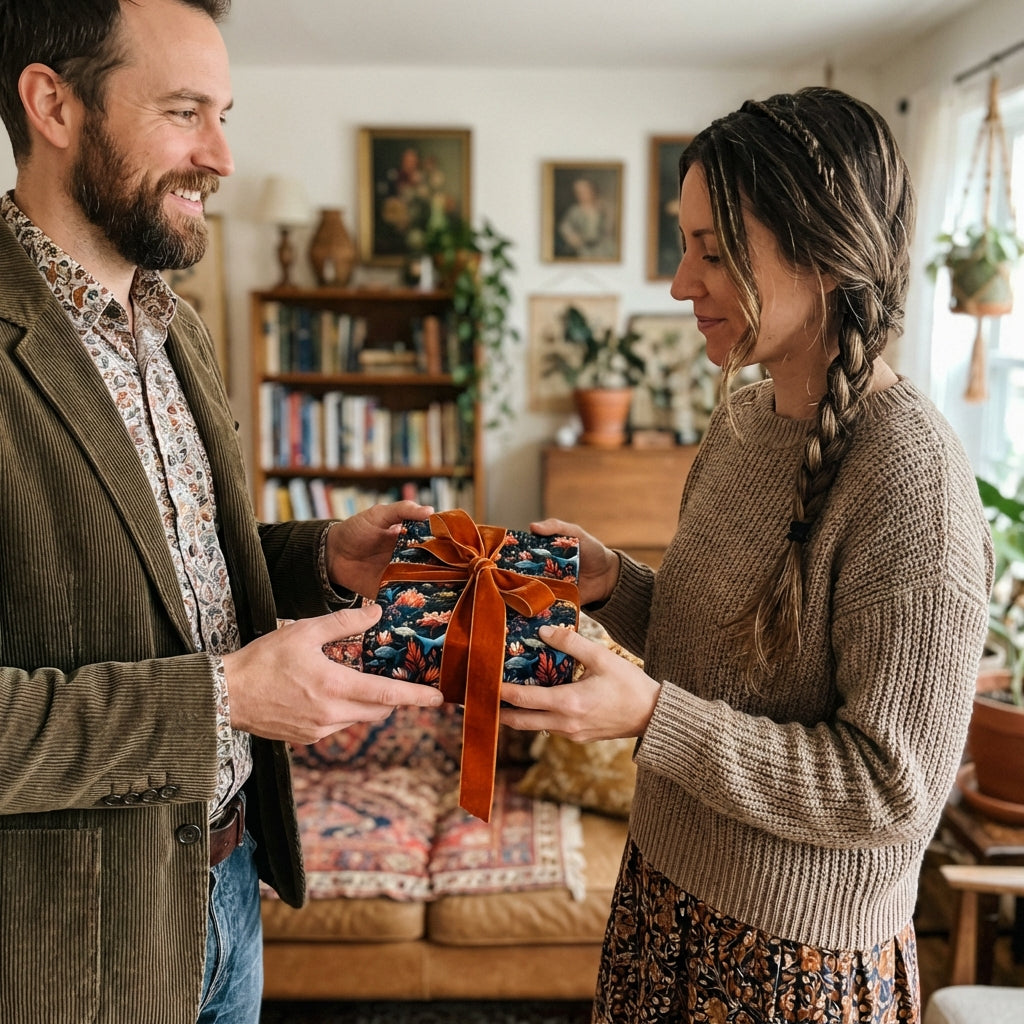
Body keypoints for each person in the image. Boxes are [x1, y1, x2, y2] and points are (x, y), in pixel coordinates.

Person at [500, 87, 994, 1023]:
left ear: (825, 254)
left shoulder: (912, 478)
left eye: (714, 251)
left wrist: (653, 717)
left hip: (790, 962)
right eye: (684, 245)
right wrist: (612, 583)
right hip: (661, 901)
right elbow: (728, 647)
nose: (680, 283)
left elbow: (889, 787)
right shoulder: (741, 420)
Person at [0, 2, 445, 1022]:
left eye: (224, 115)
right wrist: (224, 701)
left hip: (231, 891)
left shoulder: (179, 328)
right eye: (184, 112)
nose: (222, 157)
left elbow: (168, 560)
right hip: (66, 950)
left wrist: (326, 557)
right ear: (52, 104)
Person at [557, 176, 617, 259]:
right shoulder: (575, 210)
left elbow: (611, 227)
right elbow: (565, 226)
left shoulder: (606, 207)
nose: (582, 195)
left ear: (593, 191)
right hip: (584, 249)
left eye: (585, 191)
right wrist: (572, 236)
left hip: (604, 248)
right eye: (578, 193)